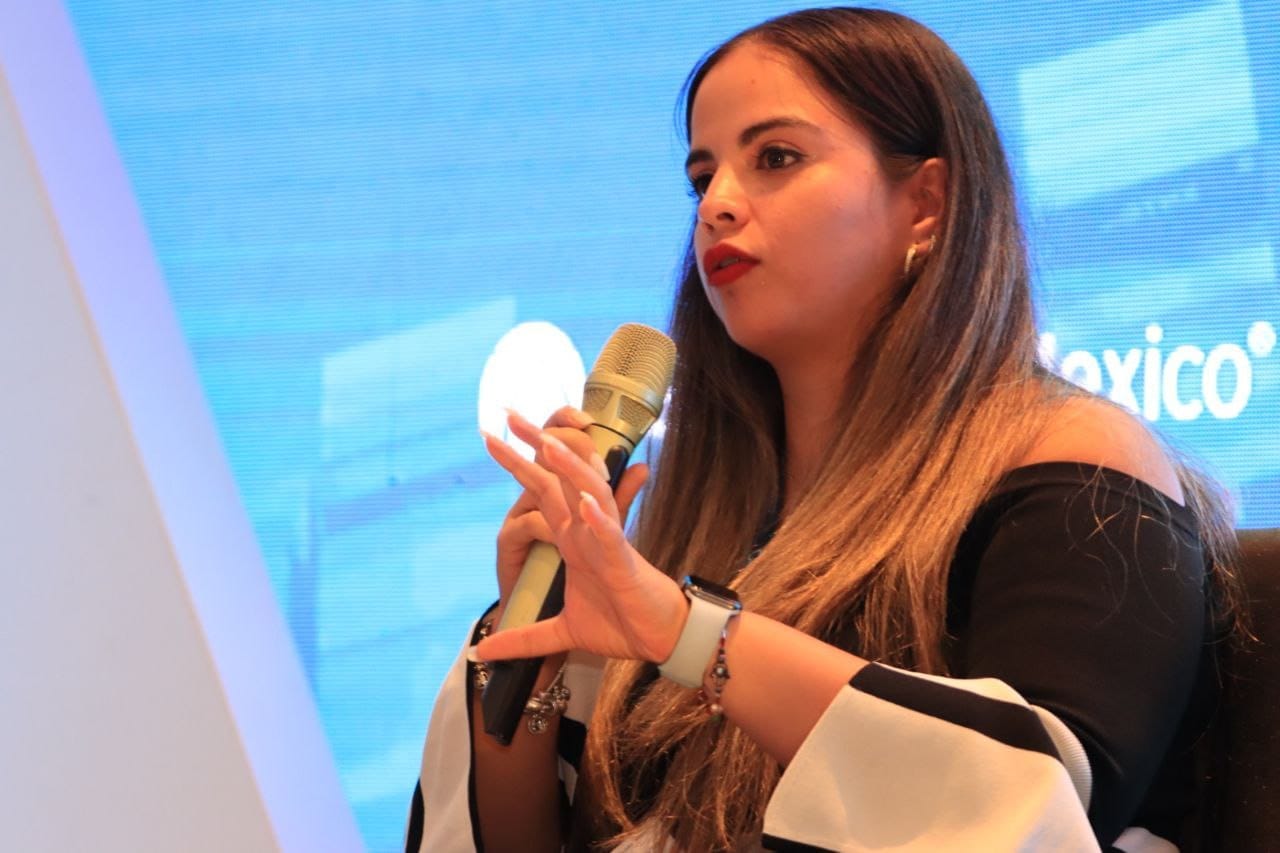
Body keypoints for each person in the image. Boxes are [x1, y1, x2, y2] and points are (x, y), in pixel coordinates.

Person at [407, 8, 1243, 851]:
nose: (717, 206)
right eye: (702, 177)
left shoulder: (1075, 459)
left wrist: (688, 634)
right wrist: (528, 661)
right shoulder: (701, 515)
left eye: (776, 158)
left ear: (925, 204)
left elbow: (1039, 804)